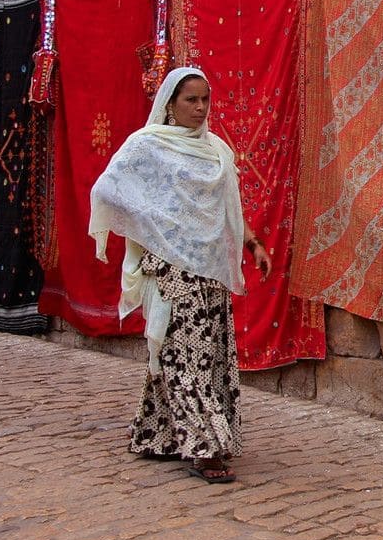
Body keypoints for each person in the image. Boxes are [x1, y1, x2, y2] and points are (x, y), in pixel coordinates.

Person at [89, 67, 271, 483]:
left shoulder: (216, 150)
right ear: (170, 103)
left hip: (209, 270)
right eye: (191, 99)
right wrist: (156, 224)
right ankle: (205, 448)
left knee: (207, 355)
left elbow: (230, 207)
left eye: (205, 99)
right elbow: (107, 190)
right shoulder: (147, 146)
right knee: (185, 355)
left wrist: (253, 244)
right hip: (172, 271)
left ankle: (157, 434)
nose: (200, 107)